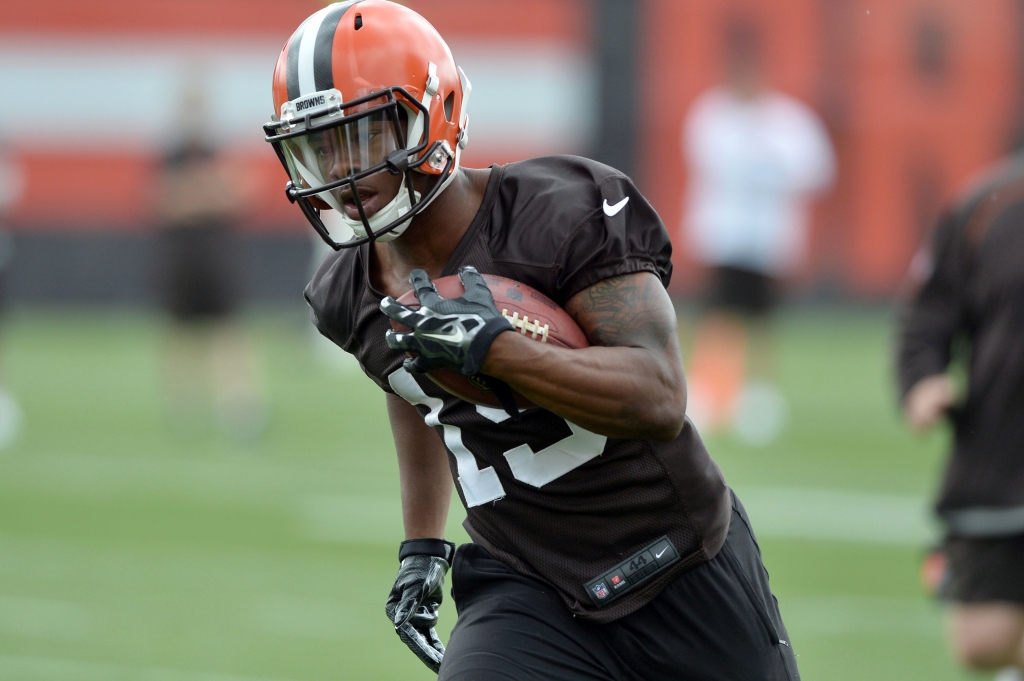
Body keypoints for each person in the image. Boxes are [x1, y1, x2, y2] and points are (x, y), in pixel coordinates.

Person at [268, 2, 798, 678]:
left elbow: (660, 397)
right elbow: (407, 383)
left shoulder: (559, 214)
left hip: (675, 561)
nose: (342, 171)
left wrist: (501, 350)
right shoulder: (347, 294)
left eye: (366, 135)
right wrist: (423, 544)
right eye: (321, 146)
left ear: (435, 113)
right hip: (524, 584)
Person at [897, 156, 1024, 680]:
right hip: (996, 452)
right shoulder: (988, 205)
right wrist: (923, 379)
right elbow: (929, 313)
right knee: (981, 642)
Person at [682, 20, 834, 445]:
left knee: (763, 319)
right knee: (717, 315)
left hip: (770, 240)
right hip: (723, 235)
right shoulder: (712, 113)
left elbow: (815, 171)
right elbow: (716, 164)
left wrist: (767, 166)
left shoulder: (788, 120)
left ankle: (758, 396)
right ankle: (710, 391)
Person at [154, 83, 266, 441]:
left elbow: (240, 194)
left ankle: (238, 403)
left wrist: (195, 194)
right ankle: (182, 406)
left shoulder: (218, 150)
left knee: (227, 329)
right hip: (182, 254)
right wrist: (209, 192)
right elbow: (162, 201)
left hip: (216, 254)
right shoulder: (169, 153)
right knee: (181, 330)